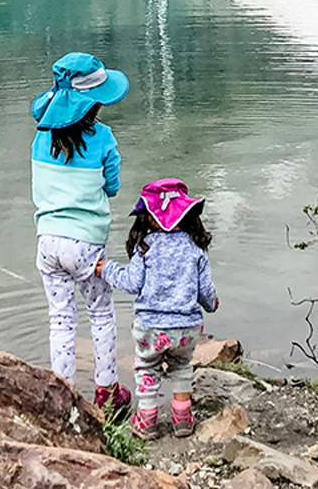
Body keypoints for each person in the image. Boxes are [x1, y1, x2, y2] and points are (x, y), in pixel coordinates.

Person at [31, 51, 132, 417]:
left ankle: (65, 395)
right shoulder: (103, 138)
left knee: (60, 319)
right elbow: (112, 187)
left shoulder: (40, 140)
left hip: (47, 242)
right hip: (86, 245)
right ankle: (107, 391)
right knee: (100, 313)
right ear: (94, 104)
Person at [95, 178, 218, 441]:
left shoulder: (145, 247)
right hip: (186, 328)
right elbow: (205, 291)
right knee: (182, 366)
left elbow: (131, 283)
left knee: (147, 368)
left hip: (151, 328)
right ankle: (182, 419)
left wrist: (107, 269)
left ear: (149, 217)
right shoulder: (195, 248)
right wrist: (212, 304)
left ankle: (147, 420)